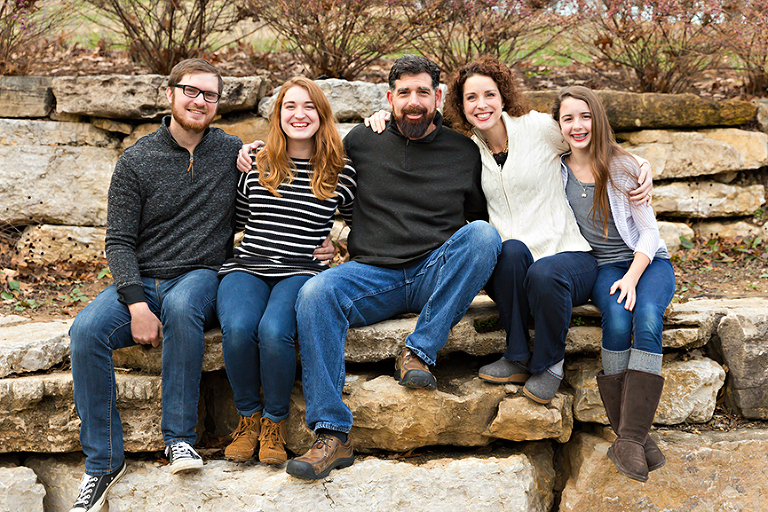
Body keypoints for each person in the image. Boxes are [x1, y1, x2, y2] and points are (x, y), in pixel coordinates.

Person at [366, 56, 653, 406]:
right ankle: (517, 356)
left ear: (503, 97)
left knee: (545, 272)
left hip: (568, 256)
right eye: (471, 98)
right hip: (516, 264)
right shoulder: (469, 149)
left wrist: (640, 163)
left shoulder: (538, 128)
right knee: (509, 250)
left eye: (489, 94)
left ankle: (549, 365)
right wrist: (379, 117)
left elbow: (589, 140)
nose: (481, 104)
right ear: (460, 104)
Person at [273, 55, 501, 480]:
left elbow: (480, 216)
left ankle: (417, 351)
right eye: (403, 93)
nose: (413, 102)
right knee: (315, 293)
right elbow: (308, 162)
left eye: (422, 93)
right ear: (389, 97)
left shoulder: (464, 151)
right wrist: (250, 152)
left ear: (438, 96)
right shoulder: (362, 139)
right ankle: (332, 433)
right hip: (372, 277)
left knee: (484, 236)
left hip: (434, 271)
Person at [67, 58, 242, 512]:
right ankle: (103, 462)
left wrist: (320, 243)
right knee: (86, 331)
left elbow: (269, 196)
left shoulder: (231, 152)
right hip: (142, 277)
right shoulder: (137, 160)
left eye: (209, 95)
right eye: (191, 91)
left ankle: (179, 440)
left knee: (184, 308)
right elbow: (119, 241)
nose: (199, 101)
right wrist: (137, 304)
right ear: (170, 94)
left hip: (199, 274)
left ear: (218, 104)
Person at [218, 77, 355, 466]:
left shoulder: (340, 170)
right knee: (241, 327)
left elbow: (361, 221)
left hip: (301, 270)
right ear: (278, 115)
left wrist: (339, 244)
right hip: (248, 266)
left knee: (275, 331)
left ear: (322, 114)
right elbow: (238, 219)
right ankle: (248, 418)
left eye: (309, 106)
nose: (299, 114)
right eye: (290, 106)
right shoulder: (256, 161)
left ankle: (274, 423)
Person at [553, 85, 674, 483]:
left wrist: (633, 277)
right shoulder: (556, 170)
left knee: (648, 317)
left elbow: (650, 234)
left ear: (598, 119)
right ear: (558, 125)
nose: (578, 125)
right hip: (603, 266)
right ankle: (636, 438)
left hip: (647, 260)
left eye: (585, 116)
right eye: (568, 117)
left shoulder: (624, 167)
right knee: (618, 322)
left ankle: (629, 436)